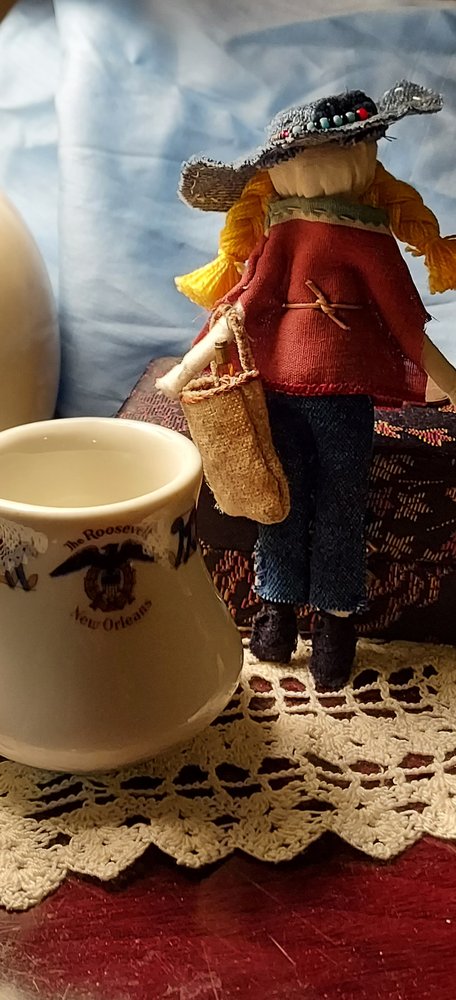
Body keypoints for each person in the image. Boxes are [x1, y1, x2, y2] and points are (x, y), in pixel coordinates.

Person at [157, 80, 456, 691]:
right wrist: (190, 366)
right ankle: (281, 614)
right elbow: (244, 308)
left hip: (341, 402)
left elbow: (405, 324)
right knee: (282, 503)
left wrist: (449, 380)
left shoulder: (367, 238)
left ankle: (330, 627)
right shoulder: (283, 236)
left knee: (331, 508)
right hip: (283, 398)